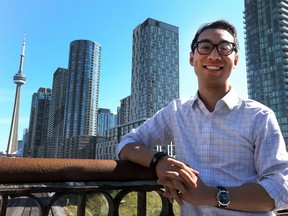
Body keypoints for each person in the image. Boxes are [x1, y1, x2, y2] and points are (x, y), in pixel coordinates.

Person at [116, 20, 288, 215]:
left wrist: (213, 195)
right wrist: (159, 161)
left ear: (236, 60)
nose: (214, 56)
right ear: (192, 58)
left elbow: (281, 189)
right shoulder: (176, 111)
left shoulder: (260, 116)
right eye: (205, 47)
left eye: (224, 48)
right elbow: (127, 144)